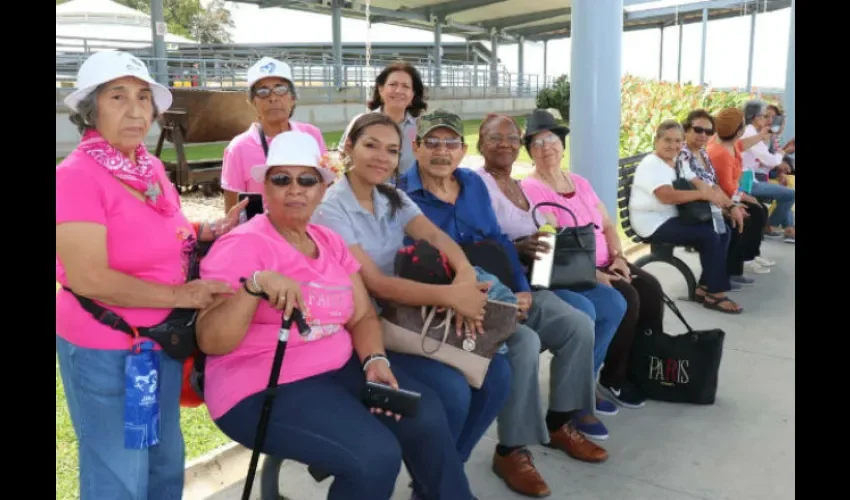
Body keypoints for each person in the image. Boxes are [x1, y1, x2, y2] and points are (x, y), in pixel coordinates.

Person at [197, 130, 477, 500]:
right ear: (265, 187)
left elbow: (362, 317)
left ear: (322, 189)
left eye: (307, 179)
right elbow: (211, 340)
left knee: (423, 414)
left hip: (339, 370)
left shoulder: (327, 240)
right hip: (263, 385)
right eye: (282, 179)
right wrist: (254, 286)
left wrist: (375, 360)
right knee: (374, 457)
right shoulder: (243, 244)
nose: (295, 188)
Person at [56, 51, 245, 500]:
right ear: (89, 111)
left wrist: (205, 230)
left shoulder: (147, 166)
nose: (136, 109)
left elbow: (164, 228)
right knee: (117, 474)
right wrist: (185, 294)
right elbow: (89, 279)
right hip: (107, 345)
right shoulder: (76, 177)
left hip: (157, 342)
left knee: (162, 462)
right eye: (117, 96)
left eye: (144, 97)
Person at [399, 109, 608, 498]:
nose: (442, 152)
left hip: (504, 288)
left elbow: (496, 240)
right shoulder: (402, 196)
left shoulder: (472, 186)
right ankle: (512, 449)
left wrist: (518, 287)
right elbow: (411, 265)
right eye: (432, 142)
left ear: (462, 150)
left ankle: (561, 421)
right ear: (416, 146)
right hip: (452, 304)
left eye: (450, 143)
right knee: (522, 344)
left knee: (577, 323)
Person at [311, 113, 510, 499]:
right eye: (371, 145)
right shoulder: (332, 207)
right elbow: (375, 283)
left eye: (392, 150)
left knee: (498, 374)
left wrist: (465, 276)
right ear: (349, 147)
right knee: (452, 391)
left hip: (411, 312)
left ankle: (438, 478)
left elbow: (436, 236)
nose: (382, 158)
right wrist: (453, 298)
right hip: (370, 323)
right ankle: (440, 483)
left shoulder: (391, 196)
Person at [473, 111, 627, 420]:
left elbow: (553, 234)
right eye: (495, 138)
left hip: (541, 272)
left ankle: (585, 386)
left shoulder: (517, 186)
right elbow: (485, 243)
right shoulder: (481, 183)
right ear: (480, 144)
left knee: (615, 302)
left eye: (512, 139)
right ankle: (568, 410)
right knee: (585, 311)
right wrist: (521, 248)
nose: (505, 144)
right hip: (525, 282)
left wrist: (615, 257)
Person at [520, 109, 664, 409]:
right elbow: (552, 244)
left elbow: (609, 225)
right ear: (530, 151)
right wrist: (598, 275)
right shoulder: (532, 187)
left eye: (552, 139)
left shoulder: (579, 182)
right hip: (572, 271)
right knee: (626, 297)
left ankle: (633, 369)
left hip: (605, 261)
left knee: (650, 289)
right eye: (538, 142)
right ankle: (608, 380)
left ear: (562, 143)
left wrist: (620, 258)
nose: (547, 147)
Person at [629, 120, 743, 314]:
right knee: (708, 235)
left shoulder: (678, 160)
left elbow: (698, 181)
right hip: (653, 222)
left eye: (678, 141)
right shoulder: (652, 165)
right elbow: (666, 196)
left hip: (672, 216)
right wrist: (702, 195)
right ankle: (716, 293)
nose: (673, 146)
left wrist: (725, 203)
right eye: (667, 140)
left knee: (722, 228)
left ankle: (705, 287)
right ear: (657, 140)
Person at [220, 56, 327, 212]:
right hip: (261, 233)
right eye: (263, 92)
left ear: (293, 97)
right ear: (252, 101)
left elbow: (326, 188)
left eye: (280, 89)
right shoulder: (238, 148)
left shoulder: (311, 135)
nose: (273, 98)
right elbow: (233, 212)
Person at [679, 109, 760, 286]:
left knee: (739, 220)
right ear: (686, 130)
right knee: (729, 226)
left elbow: (714, 185)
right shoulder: (685, 154)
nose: (703, 135)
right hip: (692, 208)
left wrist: (731, 205)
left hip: (707, 204)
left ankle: (716, 279)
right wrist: (730, 206)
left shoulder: (704, 153)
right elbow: (705, 186)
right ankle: (716, 283)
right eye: (698, 130)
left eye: (708, 132)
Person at [705, 108, 778, 279]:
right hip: (723, 200)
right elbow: (726, 188)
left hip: (729, 195)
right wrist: (741, 199)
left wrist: (760, 136)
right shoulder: (721, 153)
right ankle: (736, 267)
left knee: (759, 209)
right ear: (739, 130)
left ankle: (748, 257)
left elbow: (741, 145)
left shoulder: (728, 143)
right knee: (751, 215)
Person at [337, 61, 428, 175]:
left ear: (413, 94)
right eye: (393, 84)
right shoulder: (361, 123)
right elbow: (343, 158)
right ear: (381, 89)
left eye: (406, 86)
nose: (399, 90)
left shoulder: (421, 128)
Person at [741, 100, 795, 243]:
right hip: (747, 181)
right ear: (755, 117)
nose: (768, 120)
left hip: (751, 178)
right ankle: (769, 225)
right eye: (765, 116)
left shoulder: (755, 133)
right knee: (790, 194)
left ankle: (775, 226)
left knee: (786, 192)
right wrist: (783, 152)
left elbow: (767, 162)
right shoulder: (751, 133)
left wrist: (780, 155)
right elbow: (771, 161)